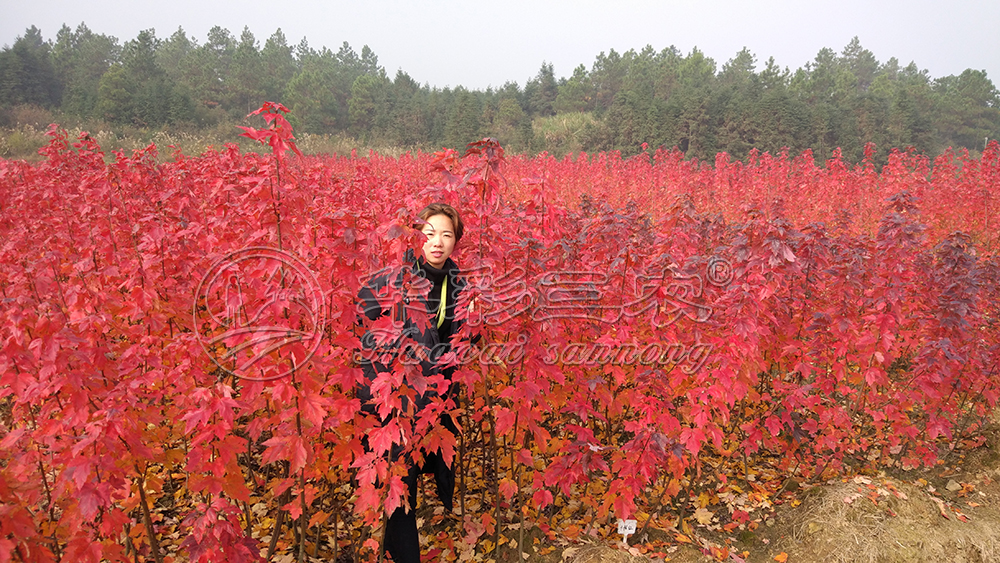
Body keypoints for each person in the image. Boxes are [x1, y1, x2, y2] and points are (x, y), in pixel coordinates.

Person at [355, 202, 467, 563]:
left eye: (446, 235)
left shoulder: (460, 286)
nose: (437, 242)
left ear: (455, 242)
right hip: (394, 399)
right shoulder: (394, 279)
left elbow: (461, 344)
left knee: (413, 472)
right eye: (429, 233)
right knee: (400, 480)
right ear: (416, 238)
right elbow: (361, 322)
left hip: (432, 402)